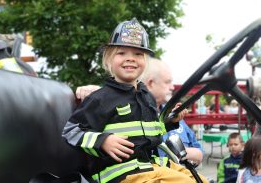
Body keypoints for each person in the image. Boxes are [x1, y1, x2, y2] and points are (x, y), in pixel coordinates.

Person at [63, 18, 207, 183]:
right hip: (120, 173)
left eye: (138, 54)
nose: (130, 58)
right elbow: (71, 131)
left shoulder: (146, 96)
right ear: (109, 59)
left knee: (200, 179)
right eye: (121, 53)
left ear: (145, 61)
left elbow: (152, 132)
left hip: (151, 167)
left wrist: (170, 121)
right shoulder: (100, 98)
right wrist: (103, 141)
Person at [76, 58, 204, 165]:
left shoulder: (174, 118)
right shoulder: (118, 110)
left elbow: (199, 153)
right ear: (151, 83)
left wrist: (179, 150)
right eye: (168, 82)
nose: (172, 87)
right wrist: (91, 92)